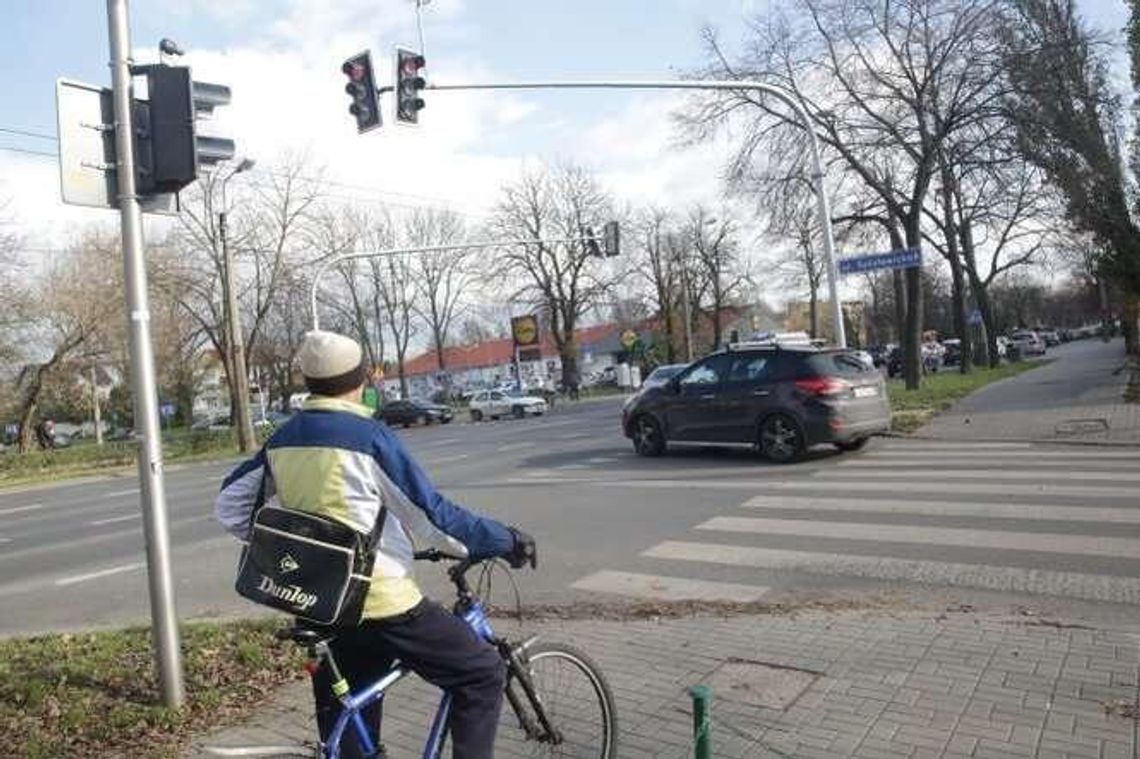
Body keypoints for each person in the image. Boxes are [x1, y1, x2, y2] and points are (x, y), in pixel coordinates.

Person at [214, 329, 536, 759]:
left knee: (348, 718)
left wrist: (291, 550)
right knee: (481, 673)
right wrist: (502, 539)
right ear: (361, 380)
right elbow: (433, 519)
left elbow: (230, 506)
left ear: (308, 383)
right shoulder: (368, 438)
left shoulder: (285, 438)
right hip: (380, 603)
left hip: (319, 601)